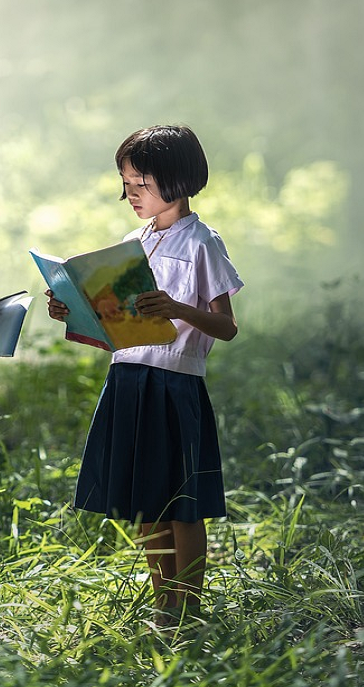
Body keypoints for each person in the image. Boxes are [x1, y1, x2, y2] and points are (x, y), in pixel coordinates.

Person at [46, 125, 242, 627]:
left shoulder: (203, 242)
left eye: (138, 184)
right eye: (125, 184)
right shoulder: (133, 244)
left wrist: (178, 307)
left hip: (175, 382)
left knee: (183, 502)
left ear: (176, 181)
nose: (127, 195)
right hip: (128, 378)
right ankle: (164, 605)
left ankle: (190, 610)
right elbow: (112, 318)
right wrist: (70, 308)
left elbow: (226, 325)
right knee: (148, 502)